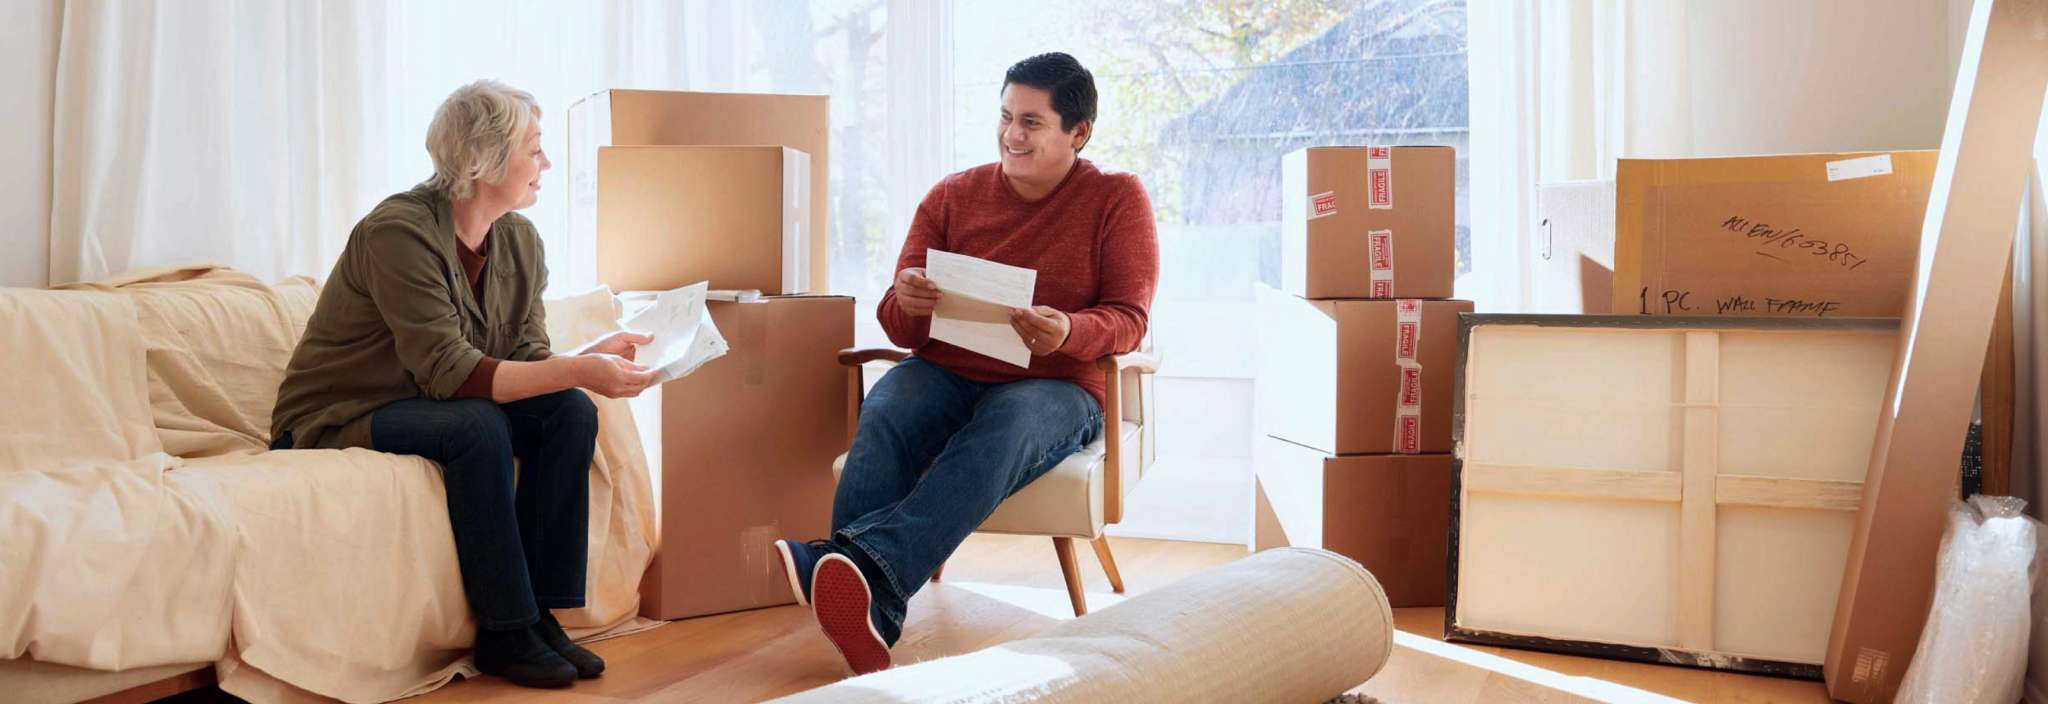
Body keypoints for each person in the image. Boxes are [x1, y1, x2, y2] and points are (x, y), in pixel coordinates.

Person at [773, 52, 1159, 675]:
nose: (1012, 134)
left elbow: (1129, 319)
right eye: (1006, 116)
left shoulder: (1116, 198)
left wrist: (1066, 329)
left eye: (1032, 122)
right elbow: (898, 325)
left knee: (1010, 424)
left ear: (1079, 132)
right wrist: (907, 300)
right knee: (892, 401)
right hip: (948, 369)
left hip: (1055, 382)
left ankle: (855, 568)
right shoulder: (952, 196)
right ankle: (876, 608)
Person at [270, 80, 657, 689]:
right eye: (535, 149)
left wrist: (586, 358)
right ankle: (506, 629)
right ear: (485, 159)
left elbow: (527, 356)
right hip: (341, 412)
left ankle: (542, 619)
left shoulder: (521, 240)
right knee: (477, 425)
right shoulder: (397, 232)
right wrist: (580, 369)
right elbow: (451, 372)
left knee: (569, 413)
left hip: (425, 401)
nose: (546, 164)